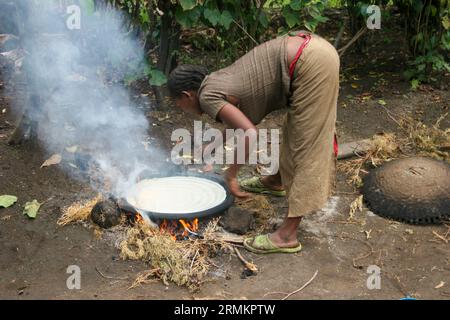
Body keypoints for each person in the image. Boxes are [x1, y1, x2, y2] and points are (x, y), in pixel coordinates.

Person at [167, 31, 340, 254]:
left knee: (307, 144)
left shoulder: (207, 97)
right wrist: (212, 147)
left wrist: (230, 175)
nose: (180, 109)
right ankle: (275, 182)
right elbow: (237, 122)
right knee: (294, 130)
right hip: (311, 51)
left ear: (186, 95)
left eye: (177, 103)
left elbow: (249, 133)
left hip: (312, 63)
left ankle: (286, 235)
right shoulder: (213, 83)